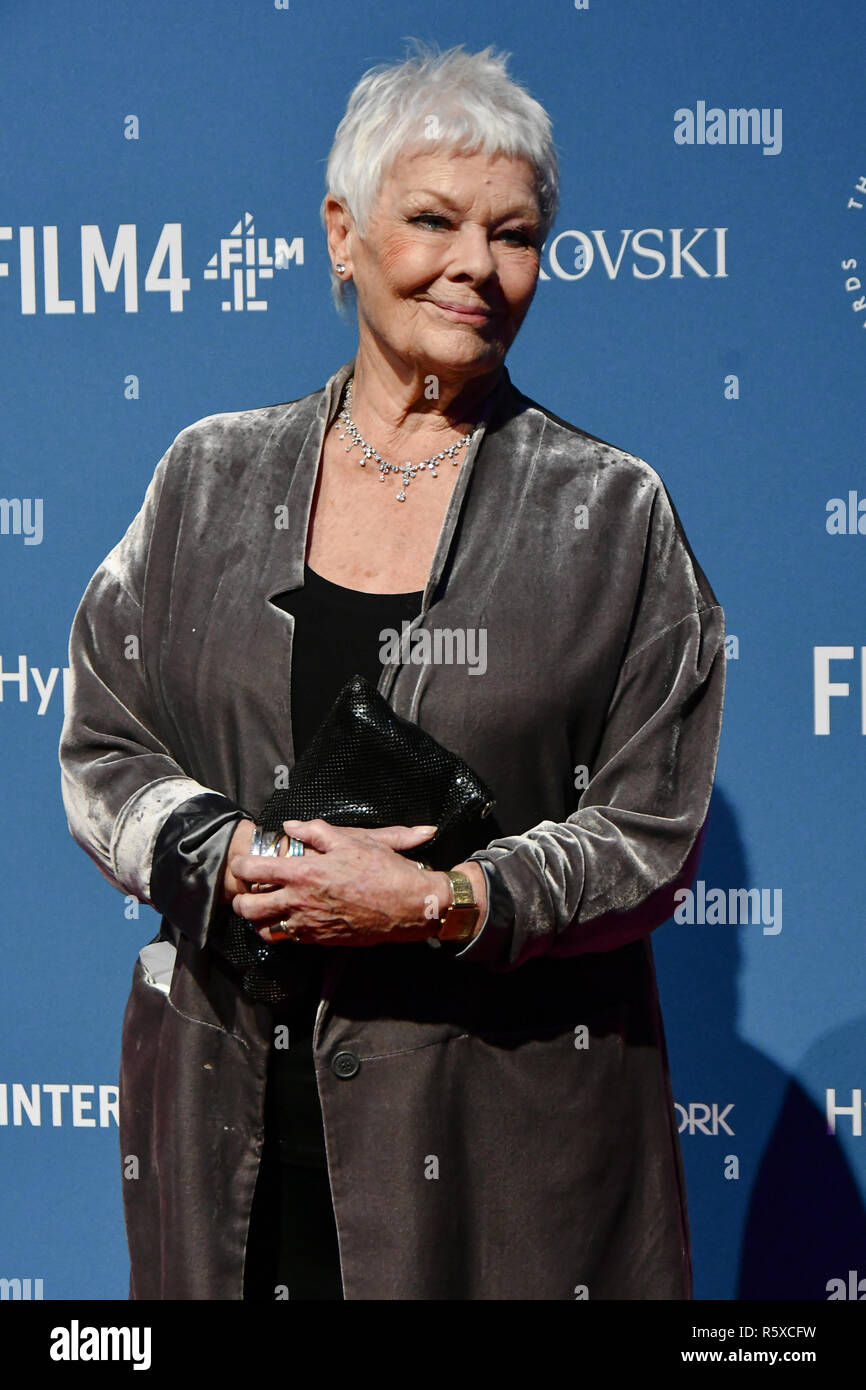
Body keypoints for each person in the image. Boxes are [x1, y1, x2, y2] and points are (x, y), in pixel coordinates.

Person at [58, 40, 726, 1301]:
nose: (475, 264)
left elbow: (649, 832)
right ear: (341, 232)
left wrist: (442, 902)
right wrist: (218, 854)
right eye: (432, 220)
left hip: (502, 1156)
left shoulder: (613, 515)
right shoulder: (207, 477)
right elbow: (103, 740)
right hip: (231, 1141)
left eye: (514, 234)